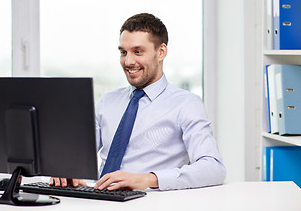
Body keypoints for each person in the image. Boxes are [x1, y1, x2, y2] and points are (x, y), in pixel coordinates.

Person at [50, 13, 226, 191]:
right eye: (123, 52)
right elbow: (77, 157)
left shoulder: (186, 104)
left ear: (161, 52)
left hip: (150, 203)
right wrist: (66, 170)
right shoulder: (107, 101)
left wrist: (147, 180)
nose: (128, 61)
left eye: (138, 52)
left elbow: (213, 167)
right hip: (99, 199)